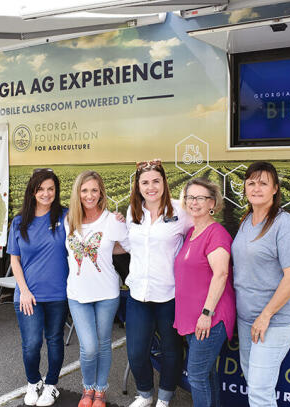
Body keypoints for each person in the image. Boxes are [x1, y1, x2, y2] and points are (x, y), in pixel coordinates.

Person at [231, 161, 290, 407]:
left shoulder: (284, 224)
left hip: (274, 319)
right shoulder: (246, 220)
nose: (256, 188)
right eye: (251, 182)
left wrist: (265, 315)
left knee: (260, 391)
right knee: (254, 381)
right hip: (247, 317)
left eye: (263, 183)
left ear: (275, 189)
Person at [122, 160, 191, 407]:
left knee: (172, 350)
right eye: (145, 182)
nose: (151, 187)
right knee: (136, 351)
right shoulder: (133, 212)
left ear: (164, 183)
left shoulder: (180, 212)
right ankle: (144, 394)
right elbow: (129, 244)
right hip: (138, 293)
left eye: (156, 181)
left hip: (170, 295)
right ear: (138, 186)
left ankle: (164, 398)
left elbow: (196, 240)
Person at [65, 170, 128, 407]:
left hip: (106, 293)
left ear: (101, 192)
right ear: (78, 193)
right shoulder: (69, 219)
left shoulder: (112, 220)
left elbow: (129, 246)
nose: (89, 195)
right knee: (89, 346)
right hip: (77, 294)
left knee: (102, 343)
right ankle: (87, 387)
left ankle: (99, 391)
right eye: (84, 190)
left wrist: (106, 250)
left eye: (94, 190)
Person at [6, 169, 68, 407]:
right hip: (27, 295)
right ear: (33, 191)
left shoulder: (65, 216)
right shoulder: (19, 221)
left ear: (56, 191)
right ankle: (34, 382)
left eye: (50, 189)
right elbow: (15, 260)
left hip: (57, 294)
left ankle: (51, 385)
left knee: (54, 339)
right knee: (31, 344)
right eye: (41, 189)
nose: (46, 193)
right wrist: (24, 290)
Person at [174, 178, 236, 407]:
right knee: (206, 374)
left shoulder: (216, 233)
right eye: (190, 197)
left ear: (212, 203)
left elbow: (221, 274)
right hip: (193, 317)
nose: (194, 202)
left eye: (200, 198)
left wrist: (206, 313)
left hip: (210, 317)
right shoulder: (191, 231)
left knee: (197, 376)